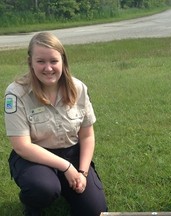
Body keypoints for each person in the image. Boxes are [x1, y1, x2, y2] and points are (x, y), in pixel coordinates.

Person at [4, 32, 107, 216]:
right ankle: (34, 205)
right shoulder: (16, 93)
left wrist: (81, 173)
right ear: (31, 62)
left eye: (54, 61)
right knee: (43, 188)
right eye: (40, 61)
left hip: (71, 153)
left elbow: (87, 135)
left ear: (63, 61)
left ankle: (66, 186)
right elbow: (22, 146)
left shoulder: (78, 88)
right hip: (34, 158)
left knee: (94, 210)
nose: (48, 68)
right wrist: (66, 167)